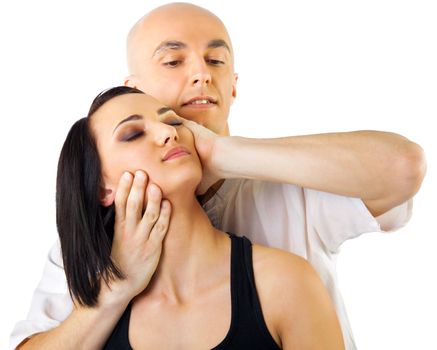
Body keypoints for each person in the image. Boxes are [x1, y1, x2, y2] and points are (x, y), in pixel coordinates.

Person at [10, 3, 426, 350]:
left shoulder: (293, 196)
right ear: (132, 88)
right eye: (173, 60)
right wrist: (114, 289)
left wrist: (219, 152)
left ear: (234, 87)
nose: (201, 74)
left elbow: (403, 166)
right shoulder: (90, 247)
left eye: (216, 60)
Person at [59, 85, 345, 349]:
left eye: (172, 122)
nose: (167, 133)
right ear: (101, 188)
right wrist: (115, 289)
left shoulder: (285, 282)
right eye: (134, 134)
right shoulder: (94, 315)